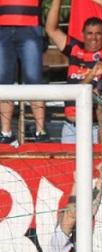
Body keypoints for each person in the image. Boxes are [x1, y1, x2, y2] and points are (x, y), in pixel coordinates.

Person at [46, 0, 102, 144]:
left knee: (96, 167)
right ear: (82, 34)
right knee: (68, 167)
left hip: (95, 126)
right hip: (71, 126)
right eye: (89, 33)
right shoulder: (75, 50)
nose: (93, 38)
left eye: (98, 34)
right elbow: (51, 29)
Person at [0, 0, 47, 145]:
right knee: (3, 79)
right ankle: (6, 133)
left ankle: (41, 132)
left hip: (30, 26)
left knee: (34, 78)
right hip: (2, 28)